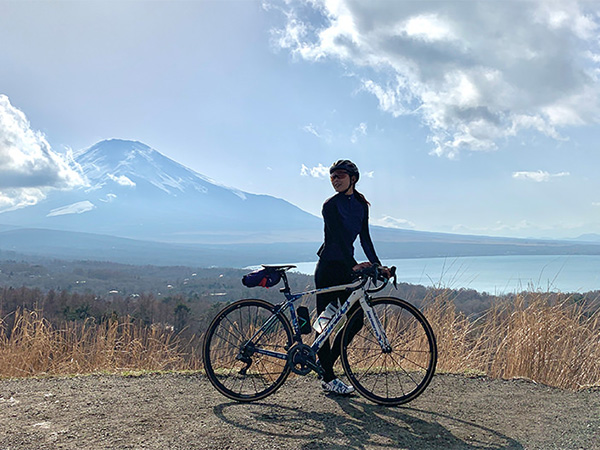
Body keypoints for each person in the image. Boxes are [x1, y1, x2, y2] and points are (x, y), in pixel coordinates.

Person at [315, 159, 387, 395]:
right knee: (324, 326)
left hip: (346, 267)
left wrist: (377, 265)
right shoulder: (330, 205)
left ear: (353, 179)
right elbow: (336, 240)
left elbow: (364, 237)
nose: (335, 180)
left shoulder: (361, 204)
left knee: (356, 320)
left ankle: (326, 367)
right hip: (329, 269)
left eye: (340, 176)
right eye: (332, 176)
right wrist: (354, 267)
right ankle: (327, 377)